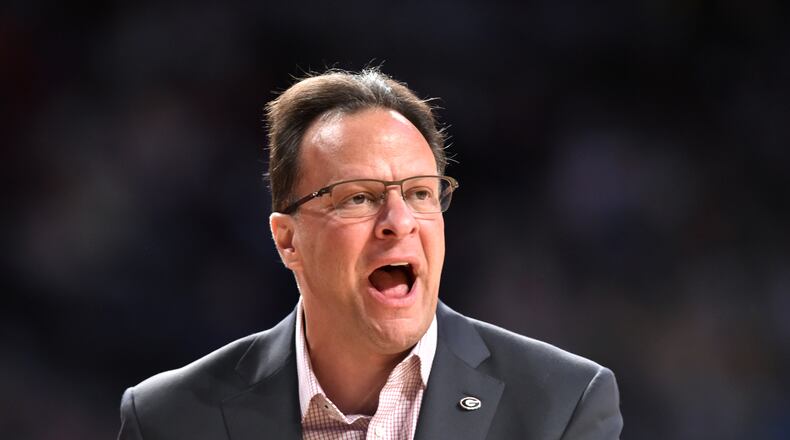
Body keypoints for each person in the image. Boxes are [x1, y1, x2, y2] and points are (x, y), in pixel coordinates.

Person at [118, 68, 623, 439]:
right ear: (287, 240)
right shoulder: (169, 419)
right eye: (359, 197)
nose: (399, 221)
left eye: (422, 194)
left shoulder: (561, 406)